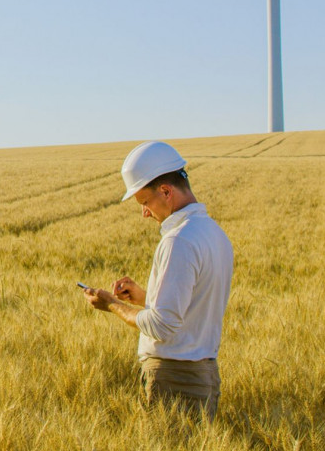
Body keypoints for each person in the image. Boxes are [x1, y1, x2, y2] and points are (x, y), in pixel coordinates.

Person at [82, 141, 233, 419]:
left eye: (144, 202)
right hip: (205, 375)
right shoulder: (214, 233)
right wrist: (144, 297)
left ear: (165, 191)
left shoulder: (178, 241)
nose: (144, 213)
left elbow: (162, 326)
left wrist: (112, 304)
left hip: (175, 379)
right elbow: (194, 304)